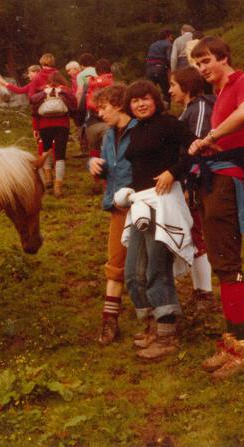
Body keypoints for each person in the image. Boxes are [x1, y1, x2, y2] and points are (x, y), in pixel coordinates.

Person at [187, 36, 244, 378]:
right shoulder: (220, 93)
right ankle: (235, 340)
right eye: (198, 63)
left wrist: (211, 137)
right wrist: (210, 145)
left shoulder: (243, 82)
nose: (203, 68)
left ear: (224, 57)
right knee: (222, 263)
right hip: (215, 178)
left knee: (228, 264)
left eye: (207, 61)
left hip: (228, 183)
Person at [121, 80, 197, 360]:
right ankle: (151, 321)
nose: (140, 104)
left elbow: (194, 149)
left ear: (156, 100)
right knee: (133, 270)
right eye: (135, 101)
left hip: (163, 203)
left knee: (156, 266)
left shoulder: (169, 124)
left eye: (146, 99)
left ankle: (167, 333)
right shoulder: (136, 130)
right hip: (140, 203)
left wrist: (173, 172)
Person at [87, 84, 139, 345]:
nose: (100, 113)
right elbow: (109, 168)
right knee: (115, 264)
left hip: (143, 207)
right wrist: (94, 165)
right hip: (118, 208)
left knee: (148, 264)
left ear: (118, 105)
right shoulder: (108, 136)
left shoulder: (141, 130)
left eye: (103, 107)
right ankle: (110, 322)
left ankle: (156, 323)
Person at [169, 67, 216, 305]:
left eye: (173, 85)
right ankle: (200, 289)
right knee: (193, 231)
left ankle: (205, 291)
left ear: (186, 86)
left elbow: (196, 148)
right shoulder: (189, 109)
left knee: (197, 232)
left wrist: (189, 183)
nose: (169, 90)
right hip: (188, 180)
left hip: (196, 181)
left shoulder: (198, 109)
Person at [29, 72, 76, 197]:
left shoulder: (42, 91)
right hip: (62, 125)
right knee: (60, 156)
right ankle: (58, 187)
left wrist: (36, 128)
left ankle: (48, 177)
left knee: (46, 149)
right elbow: (74, 106)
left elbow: (34, 110)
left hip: (45, 125)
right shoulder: (65, 91)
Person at [83, 58, 115, 161]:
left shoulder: (91, 83)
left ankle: (96, 173)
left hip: (92, 123)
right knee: (109, 148)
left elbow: (81, 104)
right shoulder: (111, 83)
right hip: (107, 123)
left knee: (94, 149)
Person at [145, 29, 174, 105]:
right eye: (171, 36)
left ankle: (151, 105)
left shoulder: (152, 45)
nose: (172, 38)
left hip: (149, 69)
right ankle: (166, 107)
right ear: (167, 36)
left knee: (150, 91)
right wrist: (170, 69)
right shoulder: (168, 44)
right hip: (160, 68)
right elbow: (169, 58)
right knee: (166, 90)